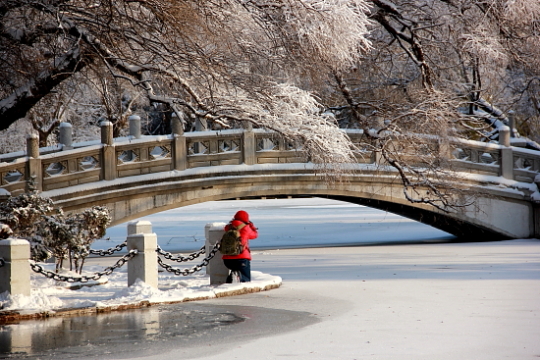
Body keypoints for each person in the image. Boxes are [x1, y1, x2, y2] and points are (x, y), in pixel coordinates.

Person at [222, 210, 258, 283]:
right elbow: (254, 235)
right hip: (242, 258)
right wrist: (251, 226)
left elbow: (225, 228)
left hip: (227, 259)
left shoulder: (228, 227)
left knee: (233, 269)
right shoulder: (246, 228)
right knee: (245, 278)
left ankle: (231, 280)